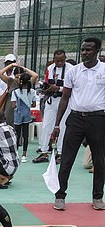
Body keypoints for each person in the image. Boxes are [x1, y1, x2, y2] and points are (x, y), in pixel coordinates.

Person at [52, 37, 105, 211]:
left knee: (100, 160)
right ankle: (60, 196)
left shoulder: (104, 70)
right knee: (66, 159)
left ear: (97, 51)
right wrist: (57, 124)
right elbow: (65, 97)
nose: (84, 53)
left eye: (88, 50)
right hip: (75, 120)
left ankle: (97, 197)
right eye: (82, 49)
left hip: (98, 120)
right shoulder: (73, 71)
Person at [33, 50, 74, 164]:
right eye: (57, 60)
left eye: (62, 60)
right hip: (51, 100)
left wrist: (58, 88)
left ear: (65, 58)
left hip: (65, 100)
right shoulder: (50, 68)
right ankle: (44, 151)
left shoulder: (71, 69)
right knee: (46, 126)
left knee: (63, 126)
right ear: (54, 59)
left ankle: (60, 153)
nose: (60, 62)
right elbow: (47, 82)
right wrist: (46, 88)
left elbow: (72, 87)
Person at [10, 69, 39, 163]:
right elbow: (34, 104)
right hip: (27, 113)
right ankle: (24, 155)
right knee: (25, 135)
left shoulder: (15, 92)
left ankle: (16, 153)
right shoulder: (33, 91)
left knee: (17, 134)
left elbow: (13, 105)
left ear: (21, 81)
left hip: (18, 113)